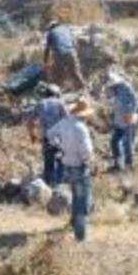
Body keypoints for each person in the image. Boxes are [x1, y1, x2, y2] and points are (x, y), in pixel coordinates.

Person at [46, 98, 95, 242]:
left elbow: (49, 134)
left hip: (67, 165)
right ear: (84, 115)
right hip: (79, 167)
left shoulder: (63, 123)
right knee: (82, 201)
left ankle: (74, 225)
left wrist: (60, 147)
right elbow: (86, 151)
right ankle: (81, 237)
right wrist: (90, 162)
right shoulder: (81, 128)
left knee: (75, 197)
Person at [26, 83, 68, 186]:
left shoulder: (40, 104)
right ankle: (59, 185)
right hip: (60, 139)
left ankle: (47, 187)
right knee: (61, 162)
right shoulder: (60, 103)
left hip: (46, 138)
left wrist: (33, 135)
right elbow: (68, 120)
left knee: (48, 163)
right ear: (56, 94)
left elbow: (30, 122)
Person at [105, 71, 138, 173]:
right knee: (114, 141)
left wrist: (130, 113)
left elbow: (136, 102)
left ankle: (129, 166)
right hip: (118, 121)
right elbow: (110, 98)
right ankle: (117, 163)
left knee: (127, 143)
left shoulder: (127, 88)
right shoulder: (115, 88)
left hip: (127, 121)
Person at [44, 20, 86, 91]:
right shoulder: (67, 30)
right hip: (71, 52)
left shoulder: (51, 33)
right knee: (75, 72)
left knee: (58, 74)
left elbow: (47, 49)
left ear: (51, 27)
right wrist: (74, 54)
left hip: (59, 53)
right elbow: (75, 43)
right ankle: (83, 89)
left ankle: (58, 90)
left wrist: (45, 62)